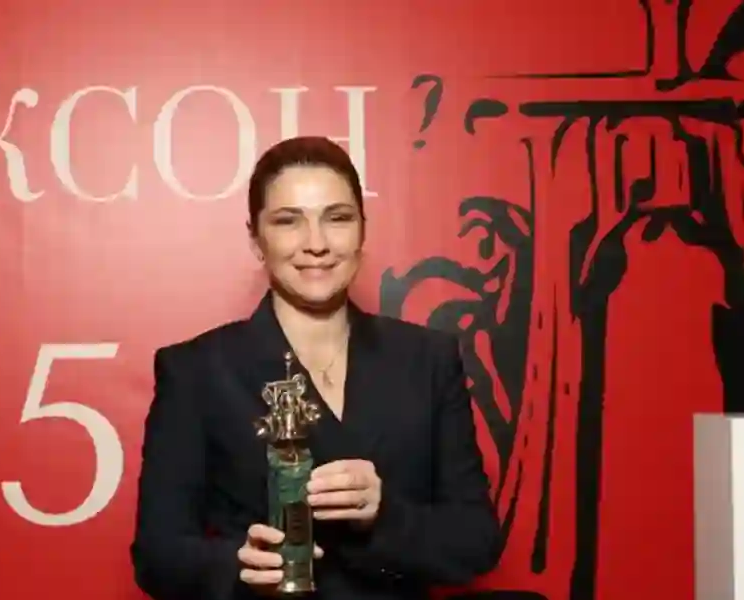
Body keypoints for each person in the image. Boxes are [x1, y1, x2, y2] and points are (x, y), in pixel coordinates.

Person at [130, 136, 503, 599]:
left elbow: (477, 541)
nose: (317, 244)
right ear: (256, 240)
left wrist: (383, 515)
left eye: (337, 218)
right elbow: (157, 556)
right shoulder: (196, 371)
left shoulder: (428, 359)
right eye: (288, 221)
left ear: (362, 230)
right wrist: (238, 567)